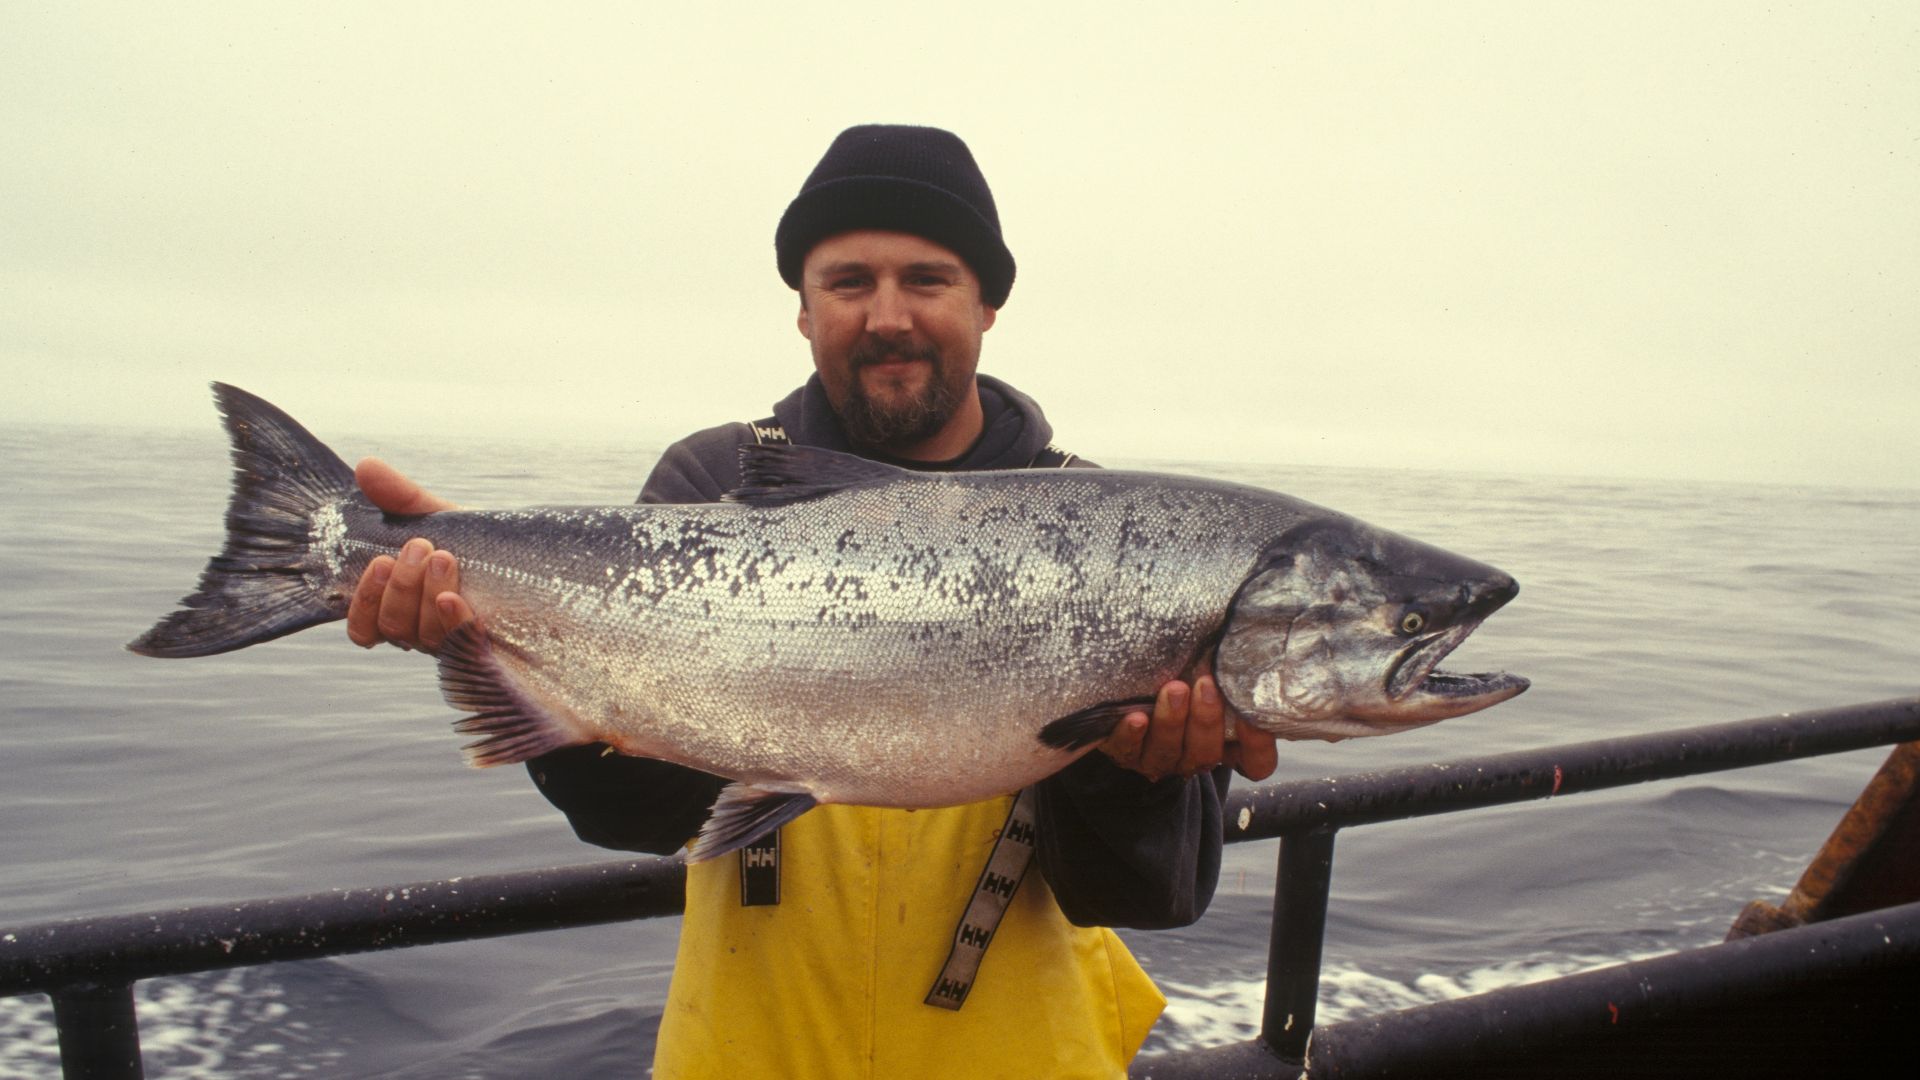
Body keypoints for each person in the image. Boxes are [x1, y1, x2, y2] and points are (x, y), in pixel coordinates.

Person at [344, 124, 1278, 1079]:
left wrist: (1134, 773)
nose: (888, 316)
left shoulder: (1116, 536)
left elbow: (1148, 897)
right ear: (802, 308)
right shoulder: (712, 482)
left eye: (927, 279)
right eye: (848, 282)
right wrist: (485, 624)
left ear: (988, 303)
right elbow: (630, 816)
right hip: (750, 1053)